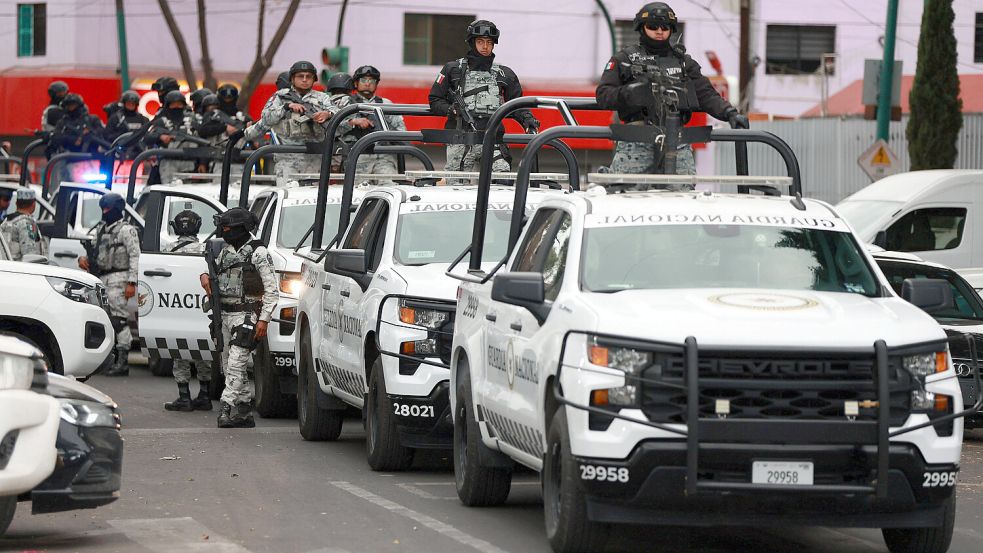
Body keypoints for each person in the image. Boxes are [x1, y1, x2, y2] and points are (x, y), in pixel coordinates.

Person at [595, 2, 747, 178]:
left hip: (678, 142)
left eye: (665, 26)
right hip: (636, 140)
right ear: (642, 27)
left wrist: (729, 113)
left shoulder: (684, 63)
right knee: (628, 196)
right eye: (653, 26)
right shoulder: (624, 60)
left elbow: (706, 94)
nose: (659, 31)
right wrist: (629, 93)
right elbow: (603, 94)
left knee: (681, 198)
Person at [428, 20, 539, 180]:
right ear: (472, 43)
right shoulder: (452, 69)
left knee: (502, 183)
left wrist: (528, 120)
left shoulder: (505, 74)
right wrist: (451, 109)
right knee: (457, 188)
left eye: (489, 42)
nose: (485, 46)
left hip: (492, 140)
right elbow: (435, 99)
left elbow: (517, 105)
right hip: (461, 141)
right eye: (480, 42)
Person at [199, 208, 278, 428]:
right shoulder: (226, 250)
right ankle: (244, 411)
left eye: (227, 228)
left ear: (240, 229)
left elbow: (272, 291)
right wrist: (204, 277)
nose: (224, 232)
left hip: (247, 314)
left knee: (236, 362)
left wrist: (264, 320)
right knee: (228, 364)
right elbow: (215, 274)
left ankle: (225, 408)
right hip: (224, 314)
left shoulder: (259, 253)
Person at [244, 61, 337, 182]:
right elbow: (266, 118)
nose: (304, 80)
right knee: (288, 197)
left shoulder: (322, 98)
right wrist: (286, 107)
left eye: (308, 77)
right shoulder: (280, 96)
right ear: (292, 79)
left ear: (314, 79)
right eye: (300, 76)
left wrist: (328, 114)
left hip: (315, 161)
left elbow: (343, 119)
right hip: (287, 160)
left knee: (312, 198)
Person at [78, 193, 139, 377]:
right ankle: (109, 357)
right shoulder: (102, 229)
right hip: (101, 278)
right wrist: (83, 259)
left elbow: (135, 255)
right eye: (103, 209)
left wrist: (132, 282)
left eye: (108, 209)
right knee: (104, 319)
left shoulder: (127, 230)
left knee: (119, 320)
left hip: (119, 277)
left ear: (117, 210)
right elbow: (96, 252)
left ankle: (123, 360)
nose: (105, 212)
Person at [163, 210, 213, 412]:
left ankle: (184, 397)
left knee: (179, 349)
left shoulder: (168, 250)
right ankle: (204, 395)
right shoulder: (205, 250)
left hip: (177, 306)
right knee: (203, 349)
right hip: (200, 306)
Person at [352, 65, 406, 184]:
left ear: (376, 84)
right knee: (355, 195)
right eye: (363, 80)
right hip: (357, 159)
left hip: (383, 158)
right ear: (356, 83)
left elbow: (402, 132)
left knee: (390, 189)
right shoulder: (347, 103)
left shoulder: (386, 104)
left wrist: (386, 131)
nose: (367, 84)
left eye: (372, 81)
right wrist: (354, 122)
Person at [144, 90, 199, 184]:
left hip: (189, 163)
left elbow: (202, 138)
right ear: (167, 106)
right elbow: (147, 138)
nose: (176, 107)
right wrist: (160, 137)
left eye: (179, 104)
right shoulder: (161, 122)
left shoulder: (192, 121)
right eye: (173, 104)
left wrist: (202, 162)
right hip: (168, 163)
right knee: (170, 193)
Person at [0, 189, 46, 261]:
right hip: (20, 269)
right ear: (33, 204)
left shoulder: (6, 221)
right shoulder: (26, 224)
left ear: (16, 203)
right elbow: (30, 255)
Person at [104, 90, 150, 155]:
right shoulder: (116, 118)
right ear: (124, 103)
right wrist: (120, 134)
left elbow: (149, 137)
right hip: (120, 153)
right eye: (128, 103)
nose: (130, 105)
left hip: (139, 154)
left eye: (133, 104)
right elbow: (107, 136)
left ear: (136, 104)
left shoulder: (144, 120)